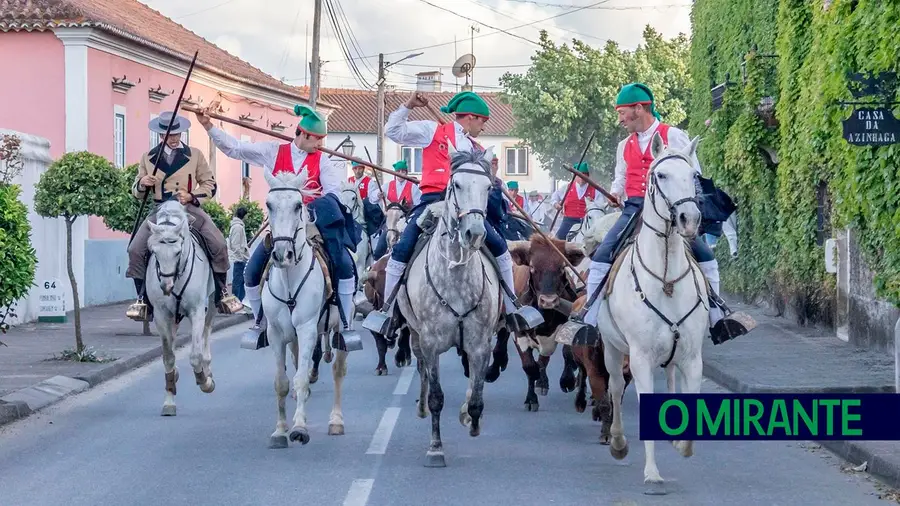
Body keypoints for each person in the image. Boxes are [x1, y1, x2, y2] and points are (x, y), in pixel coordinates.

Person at [567, 82, 753, 344]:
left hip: (670, 212)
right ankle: (589, 319)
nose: (620, 119)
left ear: (639, 109)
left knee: (707, 257)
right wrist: (615, 193)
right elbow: (620, 180)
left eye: (622, 113)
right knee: (600, 257)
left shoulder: (674, 135)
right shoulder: (624, 146)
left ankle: (716, 317)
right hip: (634, 209)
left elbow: (693, 174)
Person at [362, 90, 541, 335]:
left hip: (466, 207)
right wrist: (408, 106)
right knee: (402, 248)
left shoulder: (476, 149)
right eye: (482, 121)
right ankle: (387, 310)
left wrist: (493, 176)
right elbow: (393, 132)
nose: (484, 128)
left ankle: (511, 308)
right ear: (470, 117)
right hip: (433, 202)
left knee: (499, 246)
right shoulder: (432, 130)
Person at [195, 101, 362, 347]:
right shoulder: (273, 151)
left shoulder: (322, 161)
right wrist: (208, 126)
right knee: (251, 270)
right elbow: (235, 149)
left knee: (345, 265)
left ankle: (345, 324)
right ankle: (259, 323)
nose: (320, 145)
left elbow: (334, 192)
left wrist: (309, 207)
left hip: (310, 225)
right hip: (280, 226)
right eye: (317, 139)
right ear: (303, 134)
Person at [125, 111, 243, 321]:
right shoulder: (148, 157)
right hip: (159, 209)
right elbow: (137, 190)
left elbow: (210, 184)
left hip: (188, 208)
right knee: (135, 249)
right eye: (169, 133)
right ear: (161, 135)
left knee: (218, 243)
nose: (174, 137)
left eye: (177, 133)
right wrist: (142, 184)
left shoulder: (194, 155)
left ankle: (222, 292)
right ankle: (142, 299)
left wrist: (191, 196)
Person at [372, 160, 421, 260]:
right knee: (380, 247)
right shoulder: (387, 185)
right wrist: (378, 195)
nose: (401, 174)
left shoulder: (413, 187)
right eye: (398, 171)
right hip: (390, 223)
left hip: (405, 222)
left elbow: (418, 205)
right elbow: (372, 198)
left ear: (406, 173)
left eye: (403, 171)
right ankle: (375, 265)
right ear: (395, 173)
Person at [550, 162, 596, 240]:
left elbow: (600, 206)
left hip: (587, 221)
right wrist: (556, 204)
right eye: (579, 175)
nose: (581, 178)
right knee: (558, 240)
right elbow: (554, 197)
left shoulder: (595, 189)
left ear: (588, 176)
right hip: (569, 220)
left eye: (584, 174)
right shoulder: (566, 187)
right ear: (574, 176)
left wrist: (593, 204)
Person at [348, 161, 385, 241]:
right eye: (355, 169)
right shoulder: (348, 181)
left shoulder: (369, 181)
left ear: (363, 169)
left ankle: (374, 241)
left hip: (365, 211)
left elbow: (371, 198)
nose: (357, 171)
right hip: (351, 211)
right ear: (353, 170)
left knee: (372, 228)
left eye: (360, 168)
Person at [228, 206, 250, 305]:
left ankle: (239, 303)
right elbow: (236, 245)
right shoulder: (237, 227)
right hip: (239, 259)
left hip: (241, 259)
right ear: (244, 216)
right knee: (238, 282)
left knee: (240, 282)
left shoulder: (238, 226)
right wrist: (241, 258)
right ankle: (236, 304)